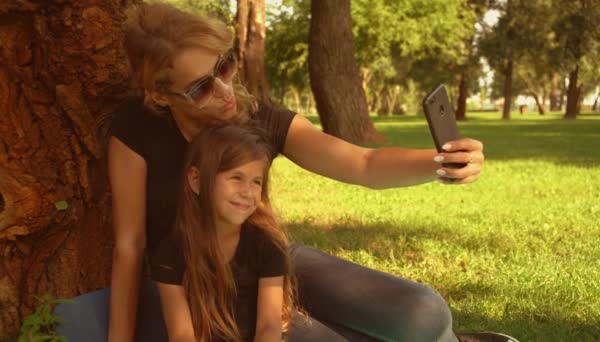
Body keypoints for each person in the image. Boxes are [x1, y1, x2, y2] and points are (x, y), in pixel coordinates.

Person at [108, 2, 517, 342]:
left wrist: (439, 163)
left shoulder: (259, 118)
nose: (225, 91)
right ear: (161, 96)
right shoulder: (137, 128)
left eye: (225, 67)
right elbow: (131, 244)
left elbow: (363, 163)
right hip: (194, 280)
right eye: (201, 88)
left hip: (267, 255)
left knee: (423, 312)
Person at [151, 124, 299, 342]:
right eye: (236, 177)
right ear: (196, 180)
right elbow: (181, 336)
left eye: (256, 182)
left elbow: (268, 328)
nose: (247, 192)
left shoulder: (267, 246)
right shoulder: (170, 254)